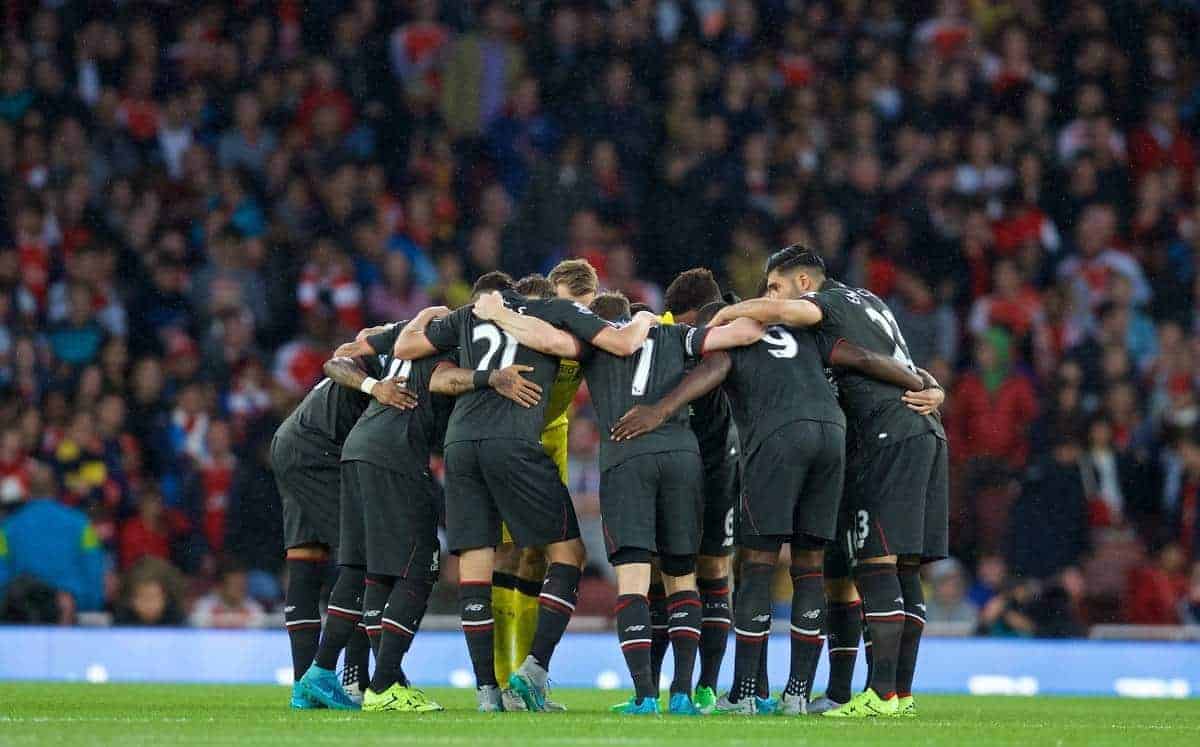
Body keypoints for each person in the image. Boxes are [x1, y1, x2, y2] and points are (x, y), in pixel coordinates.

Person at [615, 293, 927, 715]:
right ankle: (797, 694)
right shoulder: (809, 333)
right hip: (831, 435)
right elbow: (866, 358)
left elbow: (713, 370)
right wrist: (924, 386)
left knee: (758, 564)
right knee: (809, 567)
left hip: (778, 437)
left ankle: (745, 693)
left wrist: (659, 409)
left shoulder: (735, 338)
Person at [391, 271, 653, 712]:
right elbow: (609, 345)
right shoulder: (557, 310)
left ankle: (486, 693)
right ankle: (533, 670)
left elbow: (405, 348)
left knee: (477, 561)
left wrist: (446, 319)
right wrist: (644, 320)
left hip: (460, 444)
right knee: (569, 555)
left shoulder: (471, 313)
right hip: (513, 442)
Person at [711, 246, 947, 718]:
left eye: (775, 285)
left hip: (885, 433)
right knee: (904, 568)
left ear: (803, 283)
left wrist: (732, 310)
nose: (770, 297)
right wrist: (932, 386)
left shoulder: (828, 305)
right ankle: (897, 695)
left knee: (876, 564)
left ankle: (880, 697)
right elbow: (888, 359)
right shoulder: (872, 302)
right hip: (924, 432)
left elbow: (799, 321)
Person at [0, 463, 104, 621]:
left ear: (27, 489)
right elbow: (94, 568)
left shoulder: (8, 528)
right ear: (56, 488)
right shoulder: (81, 524)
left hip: (23, 616)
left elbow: (2, 573)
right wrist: (89, 604)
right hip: (70, 614)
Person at [189, 560, 267, 628]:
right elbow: (197, 626)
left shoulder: (254, 609)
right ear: (221, 587)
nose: (241, 589)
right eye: (235, 585)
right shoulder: (204, 606)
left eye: (242, 585)